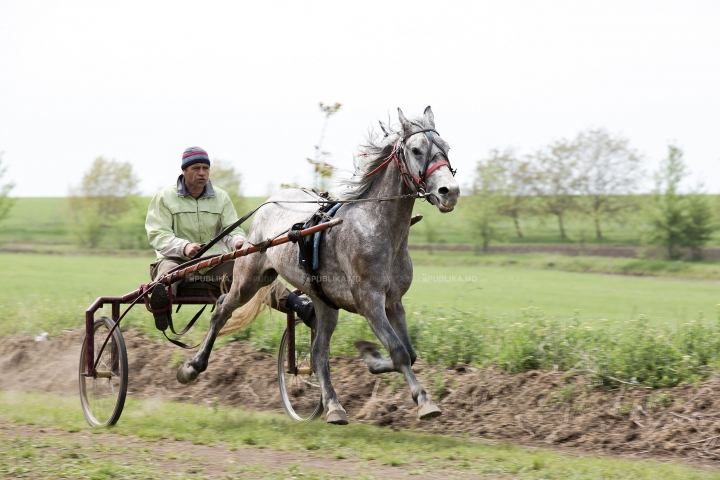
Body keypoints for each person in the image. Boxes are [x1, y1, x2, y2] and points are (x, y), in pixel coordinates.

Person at [145, 146, 315, 331]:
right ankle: (161, 307)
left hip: (213, 263)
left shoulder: (221, 197)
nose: (202, 173)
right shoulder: (164, 197)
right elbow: (157, 234)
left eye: (205, 168)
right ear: (184, 171)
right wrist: (184, 247)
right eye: (196, 168)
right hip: (176, 261)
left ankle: (299, 305)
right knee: (167, 276)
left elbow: (231, 230)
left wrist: (238, 243)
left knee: (253, 272)